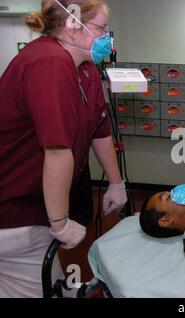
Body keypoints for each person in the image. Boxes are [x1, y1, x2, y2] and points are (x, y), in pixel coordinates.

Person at [0, 0, 127, 297]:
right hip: (12, 211)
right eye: (101, 28)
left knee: (51, 282)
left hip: (33, 211)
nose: (107, 37)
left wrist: (116, 183)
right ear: (73, 24)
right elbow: (57, 150)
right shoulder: (49, 62)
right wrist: (59, 223)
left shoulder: (85, 69)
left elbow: (100, 129)